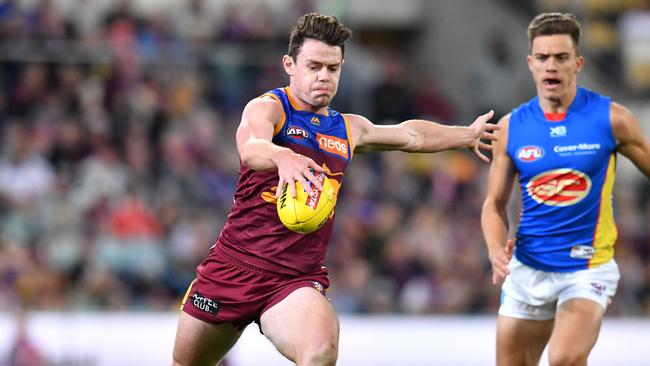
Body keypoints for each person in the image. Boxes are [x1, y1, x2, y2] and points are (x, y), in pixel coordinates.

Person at [172, 12, 498, 366]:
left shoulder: (347, 128)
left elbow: (411, 134)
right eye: (314, 66)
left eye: (333, 68)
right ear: (290, 65)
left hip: (294, 279)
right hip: (233, 267)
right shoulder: (269, 108)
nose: (324, 77)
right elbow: (251, 147)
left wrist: (465, 135)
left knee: (320, 355)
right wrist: (284, 158)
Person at [481, 12, 650, 366]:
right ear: (530, 63)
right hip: (528, 266)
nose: (551, 67)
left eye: (561, 58)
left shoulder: (613, 119)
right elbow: (494, 206)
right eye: (542, 58)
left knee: (564, 359)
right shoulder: (512, 128)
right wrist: (496, 248)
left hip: (587, 267)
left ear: (578, 63)